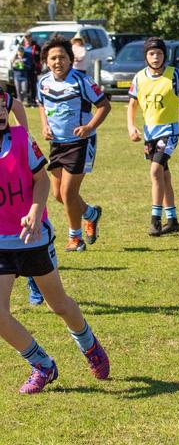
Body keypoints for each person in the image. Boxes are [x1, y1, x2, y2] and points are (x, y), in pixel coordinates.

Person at [0, 96, 110, 394]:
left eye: (1, 105)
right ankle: (42, 365)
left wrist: (36, 210)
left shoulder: (21, 138)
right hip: (1, 244)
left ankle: (89, 345)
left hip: (33, 238)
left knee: (57, 304)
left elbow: (42, 181)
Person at [127, 37, 179, 236]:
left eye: (159, 53)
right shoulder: (139, 77)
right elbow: (132, 104)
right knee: (164, 175)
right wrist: (131, 126)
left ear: (165, 55)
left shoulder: (174, 75)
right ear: (146, 56)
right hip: (150, 132)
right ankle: (172, 220)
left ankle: (155, 220)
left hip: (170, 131)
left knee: (156, 170)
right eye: (151, 53)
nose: (155, 57)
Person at [37, 35, 110, 252]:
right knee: (58, 194)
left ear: (70, 59)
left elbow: (104, 106)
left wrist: (89, 127)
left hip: (81, 142)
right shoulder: (43, 82)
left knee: (69, 192)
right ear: (46, 61)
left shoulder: (82, 81)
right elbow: (41, 104)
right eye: (52, 58)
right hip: (57, 143)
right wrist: (44, 126)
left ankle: (75, 239)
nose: (57, 62)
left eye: (62, 57)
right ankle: (90, 213)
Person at [0, 86, 41, 305]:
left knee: (26, 237)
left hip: (21, 203)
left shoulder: (3, 98)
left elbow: (15, 104)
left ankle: (35, 280)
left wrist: (22, 134)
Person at [21, 33, 41, 107]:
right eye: (26, 37)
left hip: (33, 69)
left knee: (33, 85)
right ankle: (27, 100)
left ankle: (33, 101)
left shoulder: (36, 46)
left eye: (28, 37)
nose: (27, 39)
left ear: (31, 38)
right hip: (24, 70)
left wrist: (38, 67)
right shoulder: (22, 46)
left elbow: (39, 57)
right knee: (26, 86)